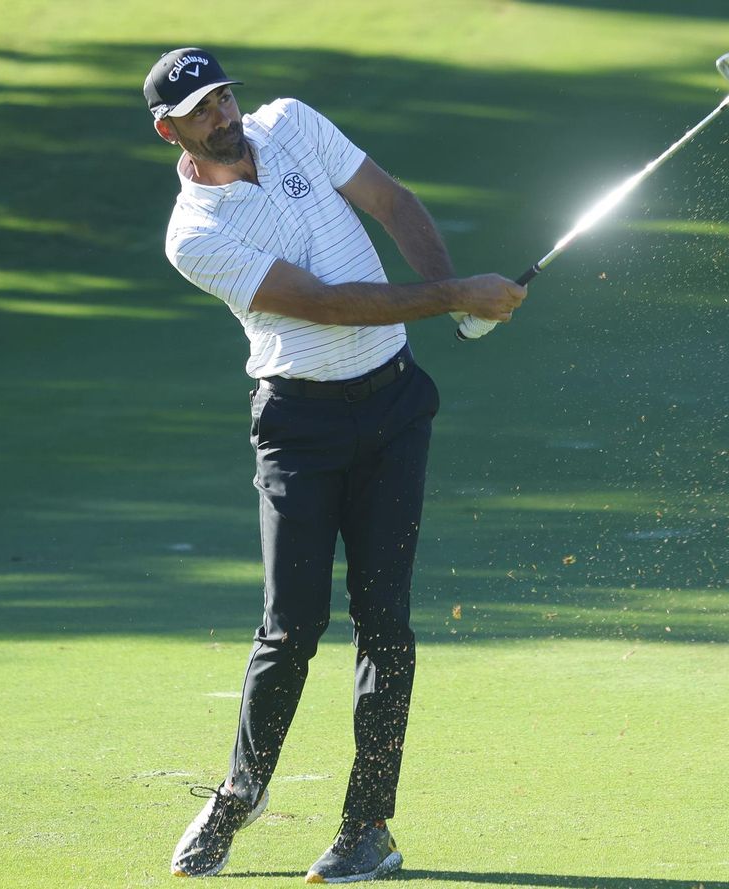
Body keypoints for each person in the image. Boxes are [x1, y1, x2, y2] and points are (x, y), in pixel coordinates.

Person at [143, 47, 525, 882]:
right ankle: (239, 795)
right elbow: (319, 304)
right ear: (171, 130)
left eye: (224, 96)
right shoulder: (194, 234)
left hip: (392, 408)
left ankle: (367, 827)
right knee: (292, 626)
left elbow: (393, 202)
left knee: (385, 622)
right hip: (299, 425)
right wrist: (456, 298)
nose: (224, 114)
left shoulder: (293, 125)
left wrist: (452, 291)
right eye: (203, 109)